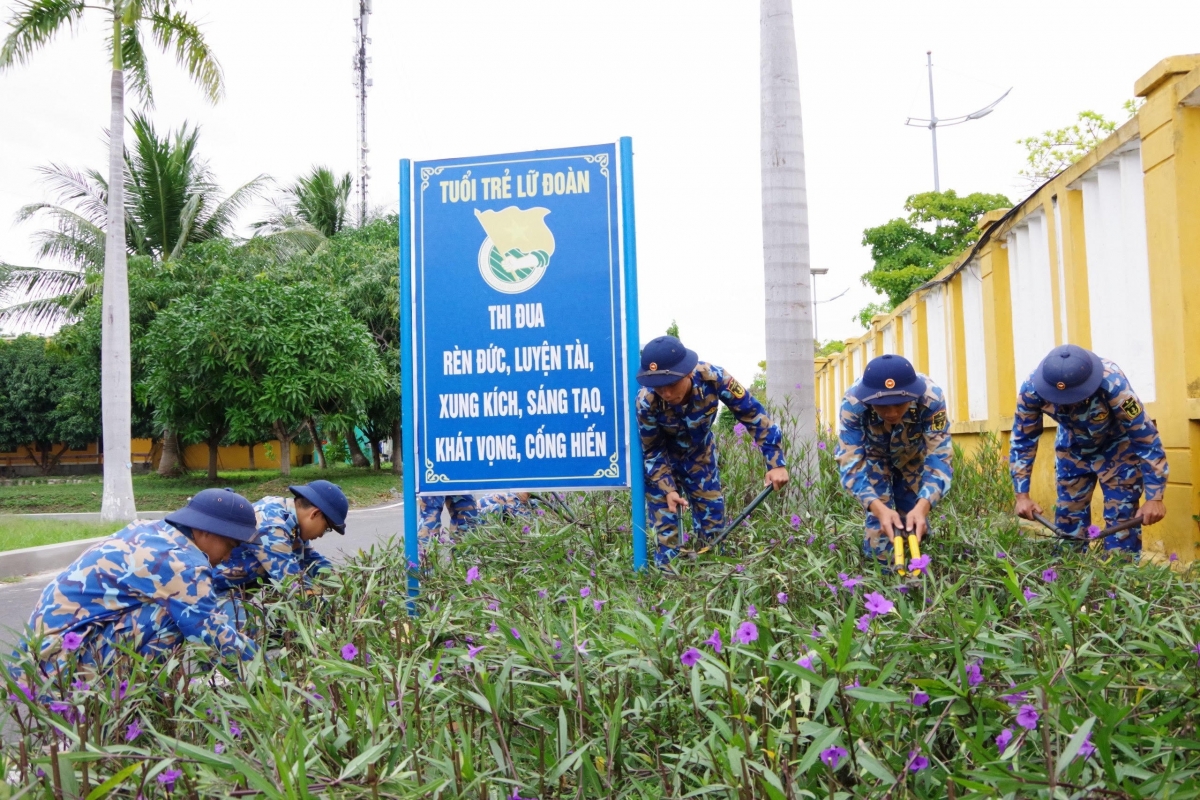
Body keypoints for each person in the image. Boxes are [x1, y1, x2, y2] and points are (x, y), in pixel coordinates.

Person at [18, 489, 261, 679]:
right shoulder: (182, 562)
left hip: (43, 653)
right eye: (230, 546)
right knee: (177, 618)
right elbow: (210, 633)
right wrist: (269, 674)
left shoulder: (152, 530)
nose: (228, 558)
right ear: (207, 531)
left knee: (186, 612)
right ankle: (130, 698)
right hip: (61, 664)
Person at [635, 335, 789, 567]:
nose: (665, 393)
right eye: (658, 386)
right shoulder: (646, 401)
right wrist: (667, 489)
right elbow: (652, 450)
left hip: (700, 457)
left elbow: (753, 415)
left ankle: (711, 580)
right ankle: (665, 591)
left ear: (687, 373)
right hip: (662, 463)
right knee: (666, 535)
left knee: (713, 528)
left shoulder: (715, 378)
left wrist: (776, 462)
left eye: (671, 384)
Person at [1011, 344, 1167, 551]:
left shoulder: (1114, 384)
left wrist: (1155, 497)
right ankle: (1068, 578)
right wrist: (1022, 496)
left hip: (1118, 449)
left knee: (1122, 528)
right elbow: (1023, 440)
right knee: (1068, 524)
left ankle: (1118, 580)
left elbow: (1146, 437)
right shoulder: (1032, 390)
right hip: (1072, 448)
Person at [835, 354, 952, 567]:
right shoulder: (853, 403)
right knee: (881, 529)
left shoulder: (932, 399)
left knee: (914, 523)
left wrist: (923, 505)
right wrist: (878, 508)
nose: (892, 412)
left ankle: (918, 583)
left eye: (899, 404)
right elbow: (850, 464)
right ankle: (884, 580)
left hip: (912, 455)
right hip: (873, 458)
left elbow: (940, 458)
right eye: (882, 406)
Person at [212, 480, 348, 594]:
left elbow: (311, 559)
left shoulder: (291, 520)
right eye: (326, 528)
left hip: (237, 589)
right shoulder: (272, 524)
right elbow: (293, 583)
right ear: (315, 514)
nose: (321, 535)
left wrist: (345, 582)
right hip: (211, 590)